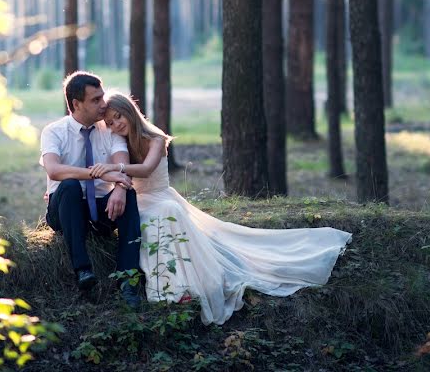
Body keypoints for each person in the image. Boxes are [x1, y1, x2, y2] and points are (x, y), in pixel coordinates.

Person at [88, 91, 353, 325]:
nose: (115, 125)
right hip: (140, 201)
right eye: (109, 123)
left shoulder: (154, 138)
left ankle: (181, 287)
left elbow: (145, 170)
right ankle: (167, 287)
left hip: (161, 196)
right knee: (145, 217)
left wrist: (114, 168)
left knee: (168, 212)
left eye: (118, 117)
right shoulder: (119, 143)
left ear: (129, 112)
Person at [39, 72, 142, 307]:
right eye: (95, 100)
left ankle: (128, 281)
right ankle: (83, 270)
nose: (103, 104)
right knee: (69, 185)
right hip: (65, 209)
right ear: (76, 104)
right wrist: (101, 172)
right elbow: (54, 170)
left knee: (129, 194)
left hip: (101, 208)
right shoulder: (53, 131)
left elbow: (121, 165)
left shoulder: (109, 130)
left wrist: (118, 187)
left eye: (102, 97)